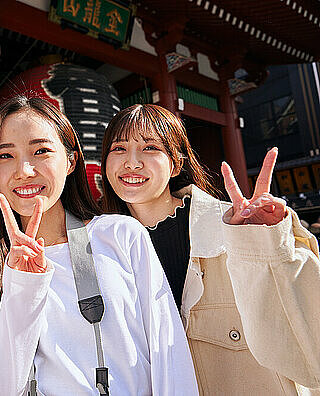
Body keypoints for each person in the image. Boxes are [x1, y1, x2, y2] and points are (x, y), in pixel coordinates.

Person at [0, 96, 198, 395]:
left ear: (71, 161)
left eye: (41, 151)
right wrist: (22, 288)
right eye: (5, 156)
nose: (24, 170)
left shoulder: (120, 236)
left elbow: (169, 357)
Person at [99, 103, 320, 394]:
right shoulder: (101, 249)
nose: (132, 162)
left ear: (176, 163)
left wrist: (262, 242)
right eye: (119, 149)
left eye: (150, 148)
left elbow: (306, 332)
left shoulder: (236, 228)